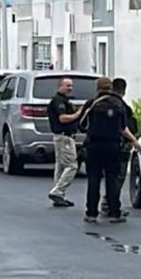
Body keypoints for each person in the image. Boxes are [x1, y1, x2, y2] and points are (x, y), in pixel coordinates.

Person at [80, 77, 141, 224]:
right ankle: (114, 213)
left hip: (94, 145)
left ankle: (91, 213)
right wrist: (134, 140)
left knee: (93, 179)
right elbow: (123, 128)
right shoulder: (119, 104)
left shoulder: (92, 103)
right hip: (113, 146)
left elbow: (82, 124)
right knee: (112, 179)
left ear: (97, 88)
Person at [46, 77, 82, 208]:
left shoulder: (65, 101)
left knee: (61, 166)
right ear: (60, 86)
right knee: (72, 165)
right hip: (64, 137)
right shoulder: (58, 101)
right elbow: (63, 118)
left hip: (63, 137)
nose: (70, 88)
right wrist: (78, 113)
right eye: (67, 86)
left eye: (71, 86)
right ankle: (57, 191)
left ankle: (59, 195)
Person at [111, 77, 139, 180]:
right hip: (119, 145)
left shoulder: (99, 103)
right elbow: (124, 127)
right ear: (124, 90)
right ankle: (113, 195)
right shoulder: (123, 107)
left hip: (99, 144)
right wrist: (133, 139)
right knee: (119, 175)